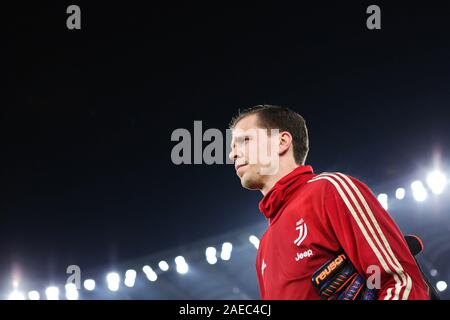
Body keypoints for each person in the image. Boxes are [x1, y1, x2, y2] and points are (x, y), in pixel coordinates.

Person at [228, 104, 430, 300]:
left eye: (244, 141)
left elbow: (401, 283)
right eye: (232, 147)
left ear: (282, 142)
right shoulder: (264, 246)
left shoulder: (328, 190)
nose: (232, 154)